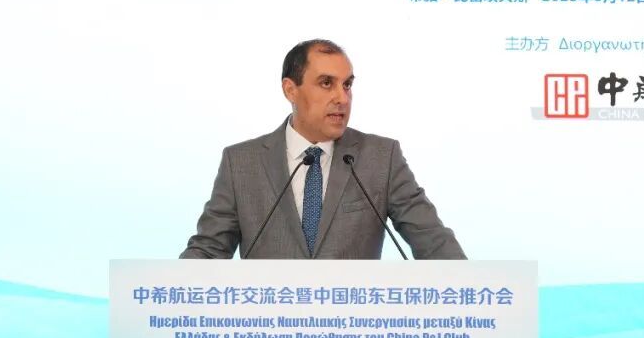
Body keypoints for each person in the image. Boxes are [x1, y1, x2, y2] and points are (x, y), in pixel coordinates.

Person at [179, 39, 465, 260]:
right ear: (290, 90)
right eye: (326, 83)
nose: (342, 98)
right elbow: (208, 251)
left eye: (347, 85)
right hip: (269, 317)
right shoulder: (241, 163)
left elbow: (434, 242)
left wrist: (473, 289)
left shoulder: (381, 157)